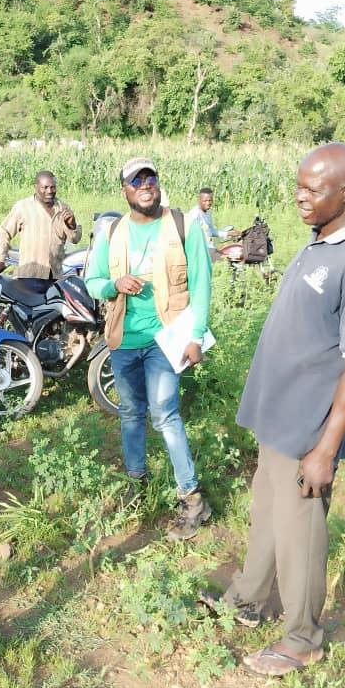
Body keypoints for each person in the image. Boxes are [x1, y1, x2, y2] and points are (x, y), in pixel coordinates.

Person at [199, 143, 345, 676]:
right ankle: (250, 597)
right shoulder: (321, 240)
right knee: (267, 510)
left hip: (309, 427)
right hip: (278, 415)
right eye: (299, 185)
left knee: (300, 528)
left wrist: (325, 449)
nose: (300, 198)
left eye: (313, 190)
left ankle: (304, 637)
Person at [86, 157, 212, 541]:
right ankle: (136, 482)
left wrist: (197, 334)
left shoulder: (182, 224)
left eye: (150, 177)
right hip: (124, 339)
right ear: (124, 190)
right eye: (135, 179)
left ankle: (191, 497)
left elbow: (202, 281)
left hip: (166, 338)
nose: (145, 184)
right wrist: (113, 285)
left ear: (158, 184)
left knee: (165, 414)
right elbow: (93, 279)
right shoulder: (112, 231)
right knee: (129, 413)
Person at [0, 170, 81, 278]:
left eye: (53, 187)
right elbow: (4, 231)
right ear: (36, 187)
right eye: (45, 187)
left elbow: (75, 239)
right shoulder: (23, 207)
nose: (50, 191)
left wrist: (72, 224)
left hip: (55, 276)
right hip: (29, 275)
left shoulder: (62, 208)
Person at [186, 188, 234, 262]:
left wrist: (229, 233)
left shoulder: (208, 212)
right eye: (205, 201)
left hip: (210, 248)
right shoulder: (195, 214)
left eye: (210, 200)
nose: (208, 203)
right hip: (201, 250)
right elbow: (189, 235)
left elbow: (211, 231)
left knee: (233, 255)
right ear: (199, 200)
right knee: (227, 261)